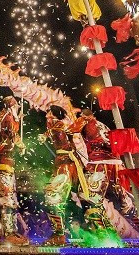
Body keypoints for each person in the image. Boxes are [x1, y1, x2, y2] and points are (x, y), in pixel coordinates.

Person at [73, 110, 139, 231]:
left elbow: (72, 131)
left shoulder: (86, 122)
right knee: (124, 201)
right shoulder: (103, 125)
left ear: (85, 116)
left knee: (88, 196)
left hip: (99, 165)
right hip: (116, 165)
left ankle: (101, 234)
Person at [40, 105, 92, 246]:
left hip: (67, 164)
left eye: (49, 113)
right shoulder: (56, 125)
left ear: (54, 114)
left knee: (52, 197)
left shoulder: (62, 124)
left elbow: (67, 129)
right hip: (61, 164)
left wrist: (82, 119)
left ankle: (60, 235)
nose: (46, 116)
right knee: (71, 199)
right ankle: (68, 233)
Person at [0, 96, 29, 246]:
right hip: (3, 162)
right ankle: (8, 233)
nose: (18, 108)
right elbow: (11, 136)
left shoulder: (6, 116)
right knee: (7, 199)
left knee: (11, 200)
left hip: (7, 163)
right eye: (16, 105)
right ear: (11, 105)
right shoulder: (7, 118)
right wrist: (21, 145)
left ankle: (10, 231)